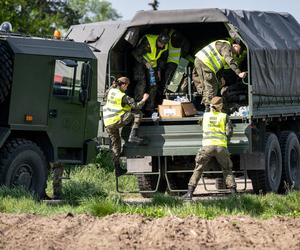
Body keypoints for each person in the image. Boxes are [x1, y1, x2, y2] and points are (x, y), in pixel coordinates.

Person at [183, 96, 237, 200]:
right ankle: (234, 194)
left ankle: (189, 194)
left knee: (198, 169)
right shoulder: (224, 116)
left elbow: (200, 124)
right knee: (227, 169)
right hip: (221, 147)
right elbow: (229, 132)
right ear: (221, 106)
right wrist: (226, 140)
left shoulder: (205, 116)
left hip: (207, 146)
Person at [103, 76, 149, 177]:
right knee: (137, 113)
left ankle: (117, 169)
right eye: (126, 86)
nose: (127, 88)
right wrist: (144, 99)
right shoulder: (122, 96)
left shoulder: (110, 90)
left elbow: (106, 98)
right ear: (123, 84)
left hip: (107, 122)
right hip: (116, 120)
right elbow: (137, 106)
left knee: (116, 145)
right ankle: (133, 135)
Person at [194, 39, 247, 111]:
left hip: (201, 61)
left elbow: (219, 66)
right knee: (211, 87)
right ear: (235, 45)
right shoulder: (226, 46)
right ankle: (208, 109)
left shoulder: (222, 46)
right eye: (237, 51)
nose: (235, 54)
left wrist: (220, 78)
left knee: (208, 86)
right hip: (205, 63)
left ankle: (206, 106)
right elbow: (228, 59)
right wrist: (239, 73)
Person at [132, 32, 169, 115]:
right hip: (140, 62)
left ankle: (149, 108)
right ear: (158, 40)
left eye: (163, 44)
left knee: (153, 85)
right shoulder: (148, 41)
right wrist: (145, 62)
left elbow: (162, 59)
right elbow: (135, 53)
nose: (161, 45)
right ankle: (138, 107)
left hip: (153, 65)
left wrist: (159, 70)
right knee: (142, 83)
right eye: (160, 43)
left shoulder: (165, 46)